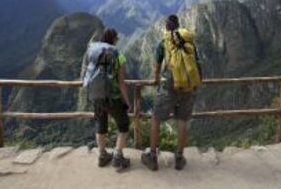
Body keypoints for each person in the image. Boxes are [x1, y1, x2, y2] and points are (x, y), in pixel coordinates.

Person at [141, 14, 201, 171]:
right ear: (179, 26)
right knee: (182, 120)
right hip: (188, 86)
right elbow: (197, 64)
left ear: (167, 28)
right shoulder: (190, 43)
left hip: (169, 84)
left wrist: (155, 80)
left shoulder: (164, 43)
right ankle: (179, 158)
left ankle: (152, 156)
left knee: (155, 118)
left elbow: (157, 66)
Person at [84, 28, 132, 170]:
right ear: (113, 39)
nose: (118, 40)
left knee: (100, 123)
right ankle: (118, 157)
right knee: (123, 124)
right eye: (117, 38)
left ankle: (102, 155)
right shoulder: (119, 55)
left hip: (96, 94)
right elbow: (121, 83)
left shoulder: (94, 51)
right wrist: (127, 102)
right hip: (112, 97)